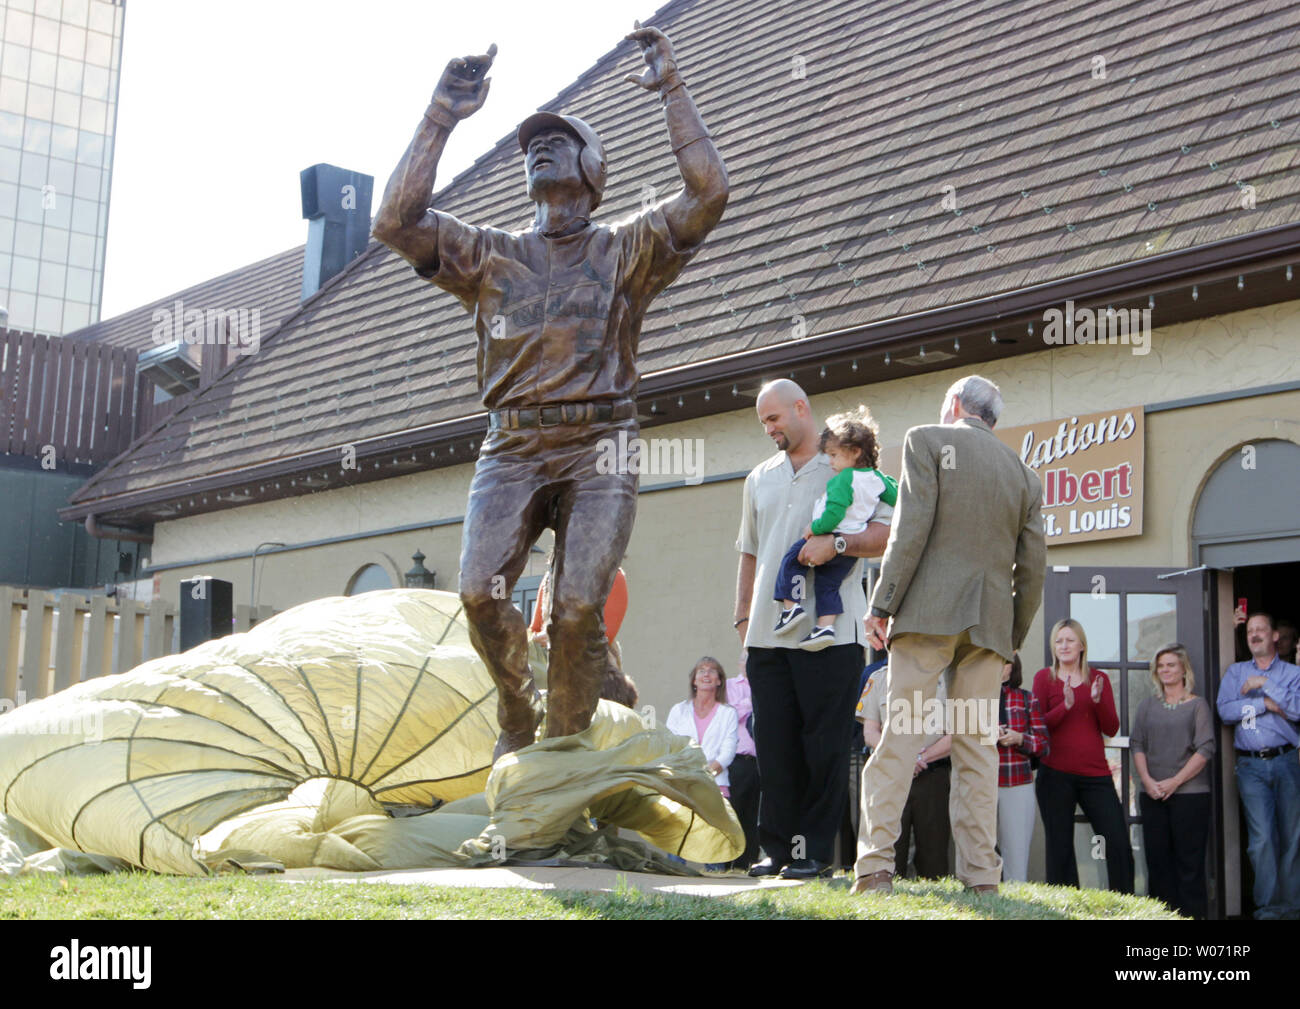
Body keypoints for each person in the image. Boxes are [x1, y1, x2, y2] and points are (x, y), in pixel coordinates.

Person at [373, 26, 728, 758]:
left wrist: (672, 90)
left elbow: (709, 192)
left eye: (560, 142)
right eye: (534, 143)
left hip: (600, 444)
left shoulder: (624, 249)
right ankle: (516, 714)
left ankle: (562, 761)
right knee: (478, 592)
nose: (540, 146)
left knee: (574, 608)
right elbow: (394, 222)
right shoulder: (490, 255)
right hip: (512, 445)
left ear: (592, 173)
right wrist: (441, 114)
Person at [854, 375, 1046, 897]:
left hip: (927, 617)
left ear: (955, 405)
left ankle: (874, 870)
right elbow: (1032, 571)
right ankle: (982, 878)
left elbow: (909, 528)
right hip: (988, 628)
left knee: (900, 737)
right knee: (977, 750)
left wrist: (882, 603)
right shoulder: (1026, 477)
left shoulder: (926, 441)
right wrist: (1011, 636)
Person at [734, 379, 892, 880]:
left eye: (774, 419)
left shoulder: (847, 463)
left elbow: (888, 535)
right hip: (766, 636)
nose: (768, 429)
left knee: (823, 750)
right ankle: (776, 850)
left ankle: (813, 853)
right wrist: (742, 618)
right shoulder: (759, 477)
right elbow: (750, 552)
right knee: (775, 748)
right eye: (764, 422)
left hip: (833, 632)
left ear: (801, 408)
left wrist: (839, 547)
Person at [772, 406, 897, 651]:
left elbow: (834, 513)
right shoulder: (878, 478)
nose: (830, 462)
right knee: (828, 584)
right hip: (848, 548)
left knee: (792, 561)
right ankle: (825, 626)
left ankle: (791, 607)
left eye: (834, 455)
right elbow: (896, 497)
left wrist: (814, 528)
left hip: (828, 534)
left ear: (855, 452)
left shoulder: (843, 479)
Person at [1032, 618, 1134, 893]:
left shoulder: (1098, 679)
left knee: (1118, 842)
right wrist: (1065, 706)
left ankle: (1124, 905)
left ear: (1081, 646)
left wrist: (1098, 702)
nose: (1063, 646)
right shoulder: (1045, 678)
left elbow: (1111, 727)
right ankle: (1066, 908)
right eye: (1058, 641)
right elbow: (1038, 726)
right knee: (1060, 850)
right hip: (1055, 775)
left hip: (1095, 775)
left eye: (1069, 640)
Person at [1216, 612, 1300, 919]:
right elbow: (1225, 710)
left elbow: (1297, 709)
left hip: (1288, 760)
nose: (1254, 635)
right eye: (1250, 630)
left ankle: (1291, 908)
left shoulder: (1293, 673)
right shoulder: (1236, 672)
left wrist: (1264, 683)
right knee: (1262, 838)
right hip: (1251, 766)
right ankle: (1268, 909)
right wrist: (1265, 703)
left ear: (1274, 635)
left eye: (1261, 629)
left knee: (1292, 836)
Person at [1132, 643, 1214, 919]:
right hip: (1153, 795)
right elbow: (1137, 745)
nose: (1165, 670)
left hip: (1190, 795)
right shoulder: (1147, 706)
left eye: (1171, 665)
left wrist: (1174, 782)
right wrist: (1147, 781)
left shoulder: (1197, 705)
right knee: (1158, 863)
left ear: (1183, 670)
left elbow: (1205, 749)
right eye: (1161, 665)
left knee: (1189, 865)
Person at [857, 664, 952, 879]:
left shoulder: (948, 678)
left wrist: (920, 759)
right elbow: (870, 732)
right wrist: (901, 759)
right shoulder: (879, 677)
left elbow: (957, 734)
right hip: (891, 776)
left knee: (934, 854)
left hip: (933, 776)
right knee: (890, 851)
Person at [665, 656, 740, 873]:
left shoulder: (728, 713)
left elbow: (727, 753)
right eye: (701, 671)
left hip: (715, 785)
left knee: (712, 839)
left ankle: (715, 879)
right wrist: (688, 772)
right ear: (694, 681)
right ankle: (673, 875)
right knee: (679, 833)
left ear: (719, 681)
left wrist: (705, 773)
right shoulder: (679, 710)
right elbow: (671, 745)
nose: (706, 674)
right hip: (682, 782)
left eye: (712, 671)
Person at [996, 653, 1048, 883]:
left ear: (1014, 666)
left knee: (1016, 854)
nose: (1000, 665)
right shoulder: (973, 700)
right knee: (978, 852)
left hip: (1016, 783)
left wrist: (1019, 739)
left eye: (1005, 661)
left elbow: (1043, 745)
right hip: (981, 783)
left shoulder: (1027, 699)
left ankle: (1016, 908)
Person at [725, 651, 760, 870]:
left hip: (759, 761)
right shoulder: (730, 685)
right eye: (746, 661)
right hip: (737, 760)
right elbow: (730, 713)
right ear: (740, 664)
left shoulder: (767, 684)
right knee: (733, 812)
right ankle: (727, 861)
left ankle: (750, 863)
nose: (749, 665)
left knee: (754, 816)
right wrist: (751, 702)